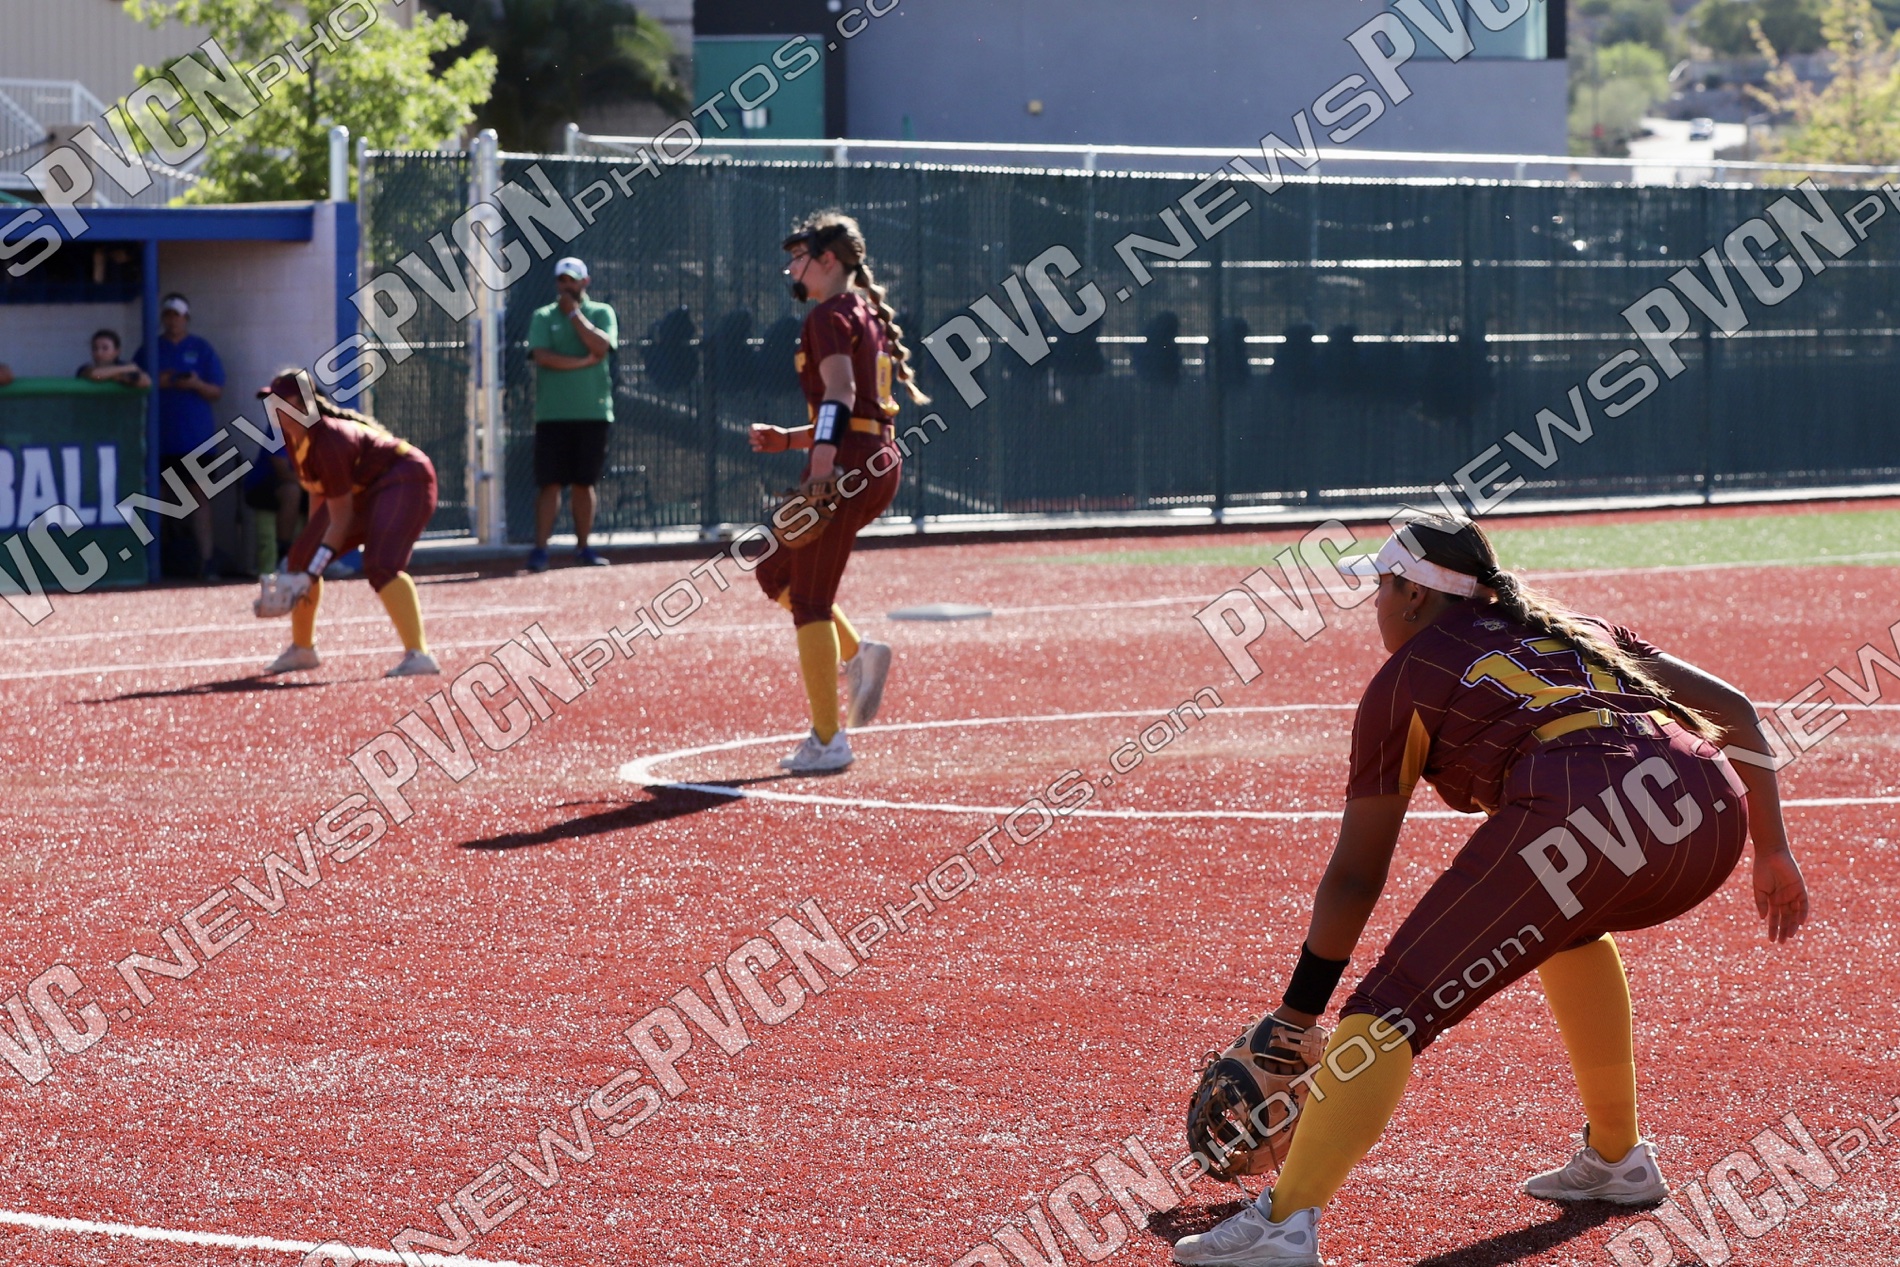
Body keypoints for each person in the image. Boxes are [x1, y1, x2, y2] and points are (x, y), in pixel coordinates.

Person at [1173, 513, 1809, 1267]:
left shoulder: (1406, 677)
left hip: (1589, 808)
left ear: (1414, 594)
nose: (1376, 605)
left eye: (1382, 588)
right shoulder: (1573, 628)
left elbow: (1356, 875)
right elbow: (1735, 711)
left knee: (1389, 1007)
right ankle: (1617, 1156)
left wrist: (1297, 1014)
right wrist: (1773, 849)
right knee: (1567, 927)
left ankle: (1283, 1224)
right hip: (1713, 812)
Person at [746, 212, 926, 774]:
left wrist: (821, 458)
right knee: (774, 570)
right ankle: (859, 653)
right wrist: (791, 439)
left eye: (799, 258)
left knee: (811, 602)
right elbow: (856, 409)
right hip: (872, 457)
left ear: (827, 261)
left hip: (849, 464)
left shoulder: (828, 314)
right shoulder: (862, 311)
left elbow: (842, 394)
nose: (791, 268)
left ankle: (828, 740)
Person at [254, 370, 440, 679]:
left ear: (303, 404)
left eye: (281, 401)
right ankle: (303, 648)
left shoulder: (330, 440)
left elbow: (340, 519)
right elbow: (318, 495)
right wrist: (307, 555)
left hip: (406, 478)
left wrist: (312, 572)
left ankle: (419, 654)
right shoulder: (294, 436)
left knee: (381, 563)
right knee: (301, 557)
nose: (273, 408)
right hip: (365, 489)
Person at [526, 256, 618, 572]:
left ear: (584, 282)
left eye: (572, 280)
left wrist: (574, 315)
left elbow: (601, 346)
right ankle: (540, 550)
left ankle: (584, 548)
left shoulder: (602, 313)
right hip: (552, 415)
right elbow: (542, 356)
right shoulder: (542, 316)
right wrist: (581, 362)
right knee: (549, 484)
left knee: (584, 483)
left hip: (592, 413)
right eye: (561, 280)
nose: (566, 286)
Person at [134, 294, 225, 577]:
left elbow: (216, 390)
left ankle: (206, 561)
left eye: (177, 315)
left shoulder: (201, 348)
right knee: (157, 499)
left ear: (186, 318)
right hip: (160, 440)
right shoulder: (150, 349)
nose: (173, 321)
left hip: (196, 439)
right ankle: (154, 564)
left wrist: (195, 384)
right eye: (168, 315)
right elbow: (134, 386)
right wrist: (160, 382)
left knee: (200, 498)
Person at [77, 329, 151, 388]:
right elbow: (96, 375)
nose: (99, 353)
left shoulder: (122, 365)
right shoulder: (86, 368)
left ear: (116, 351)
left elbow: (145, 381)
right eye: (95, 348)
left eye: (105, 348)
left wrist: (125, 377)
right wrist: (128, 368)